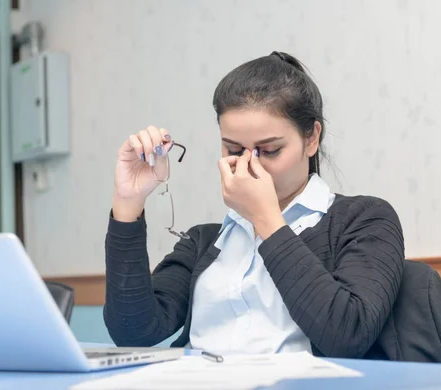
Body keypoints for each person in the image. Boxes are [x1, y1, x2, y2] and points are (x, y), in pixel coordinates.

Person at [103, 51, 405, 359]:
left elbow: (347, 335)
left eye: (270, 150)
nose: (248, 164)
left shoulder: (365, 220)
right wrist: (128, 201)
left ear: (311, 139)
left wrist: (266, 220)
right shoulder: (204, 242)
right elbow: (133, 331)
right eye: (233, 149)